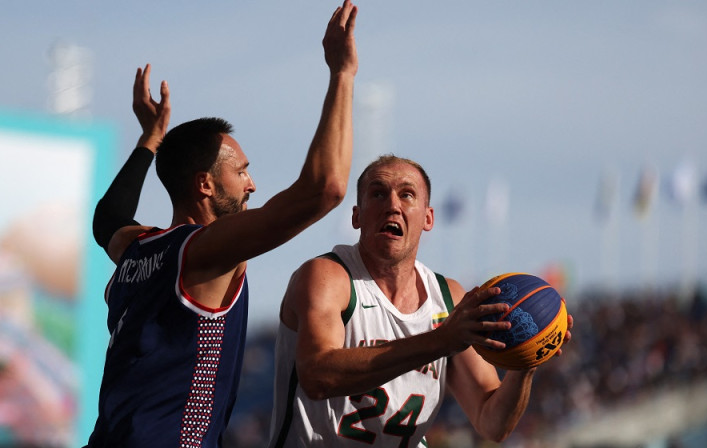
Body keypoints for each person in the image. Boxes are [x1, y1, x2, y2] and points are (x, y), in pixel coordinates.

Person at [85, 2, 358, 447]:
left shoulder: (139, 250)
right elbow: (324, 188)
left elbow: (107, 220)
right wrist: (342, 74)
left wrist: (150, 140)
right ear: (205, 186)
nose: (253, 184)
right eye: (242, 171)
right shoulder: (204, 252)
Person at [268, 155, 574, 447]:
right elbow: (318, 375)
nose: (392, 205)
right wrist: (440, 341)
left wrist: (526, 360)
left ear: (428, 218)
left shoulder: (448, 298)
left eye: (407, 195)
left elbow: (492, 422)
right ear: (357, 216)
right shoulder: (328, 277)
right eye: (377, 194)